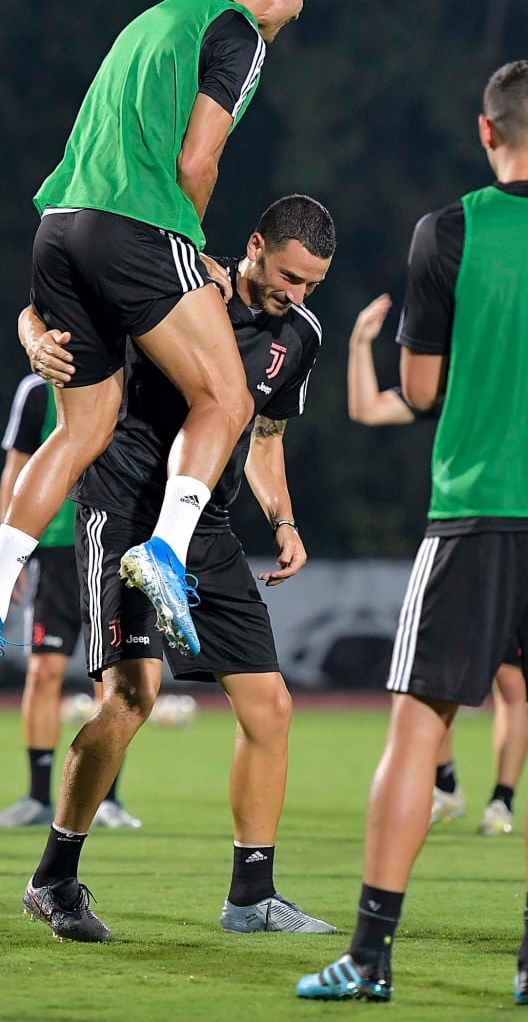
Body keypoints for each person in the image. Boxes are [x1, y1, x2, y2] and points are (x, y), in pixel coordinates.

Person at [297, 59, 528, 1005]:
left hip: (477, 512)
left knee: (418, 730)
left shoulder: (450, 229)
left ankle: (370, 959)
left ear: (486, 132)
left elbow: (418, 393)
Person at [0, 0, 328, 658]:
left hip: (59, 222)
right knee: (229, 397)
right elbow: (197, 158)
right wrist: (190, 245)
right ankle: (166, 554)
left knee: (80, 430)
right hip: (134, 225)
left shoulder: (155, 18)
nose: (298, 12)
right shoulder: (239, 33)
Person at [20, 194, 338, 943]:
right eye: (289, 276)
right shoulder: (176, 283)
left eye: (313, 285)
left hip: (211, 531)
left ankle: (252, 897)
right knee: (132, 697)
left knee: (271, 706)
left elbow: (264, 435)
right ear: (253, 245)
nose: (297, 295)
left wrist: (284, 518)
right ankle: (54, 878)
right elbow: (50, 301)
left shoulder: (301, 335)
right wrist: (35, 341)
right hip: (123, 509)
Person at [347, 293, 528, 836]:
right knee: (429, 680)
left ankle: (502, 801)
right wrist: (359, 343)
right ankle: (447, 785)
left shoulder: (516, 380)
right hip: (464, 539)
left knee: (512, 686)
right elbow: (367, 409)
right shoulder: (447, 385)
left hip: (521, 543)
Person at [0, 376, 140, 830]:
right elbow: (16, 470)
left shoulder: (131, 378)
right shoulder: (38, 391)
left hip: (115, 544)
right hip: (57, 552)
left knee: (115, 679)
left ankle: (107, 800)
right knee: (44, 671)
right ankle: (40, 797)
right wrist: (12, 552)